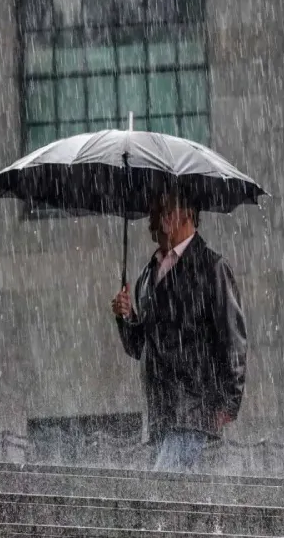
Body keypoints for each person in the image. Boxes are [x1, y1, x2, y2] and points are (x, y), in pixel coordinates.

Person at [110, 188, 247, 473]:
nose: (155, 219)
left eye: (164, 210)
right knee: (175, 499)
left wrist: (228, 403)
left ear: (188, 213)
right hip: (160, 411)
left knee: (162, 489)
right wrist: (126, 317)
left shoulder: (212, 267)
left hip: (193, 409)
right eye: (153, 211)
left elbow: (232, 339)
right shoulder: (147, 276)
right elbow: (141, 347)